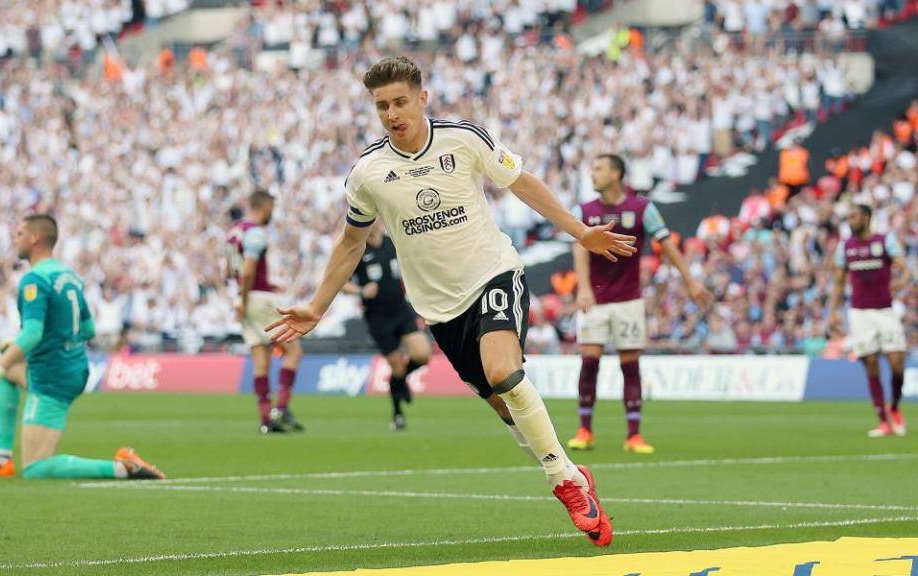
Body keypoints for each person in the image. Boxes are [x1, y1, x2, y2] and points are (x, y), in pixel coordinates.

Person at [266, 56, 637, 546]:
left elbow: (522, 183)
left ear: (422, 99)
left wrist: (580, 231)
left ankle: (564, 483)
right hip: (440, 308)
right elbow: (351, 242)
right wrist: (318, 305)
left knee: (504, 371)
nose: (393, 112)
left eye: (400, 101)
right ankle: (572, 470)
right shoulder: (368, 173)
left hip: (494, 274)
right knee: (506, 408)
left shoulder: (464, 139)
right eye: (382, 106)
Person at [0, 215, 164, 480]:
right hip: (75, 366)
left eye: (20, 233)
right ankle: (1, 458)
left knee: (36, 468)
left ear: (35, 238)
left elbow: (33, 332)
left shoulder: (34, 280)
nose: (15, 237)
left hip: (52, 376)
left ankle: (122, 467)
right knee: (9, 365)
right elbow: (88, 329)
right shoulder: (69, 276)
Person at [567, 155, 712, 454]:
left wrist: (690, 280)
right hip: (594, 298)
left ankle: (634, 435)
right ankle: (585, 430)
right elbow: (579, 248)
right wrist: (583, 287)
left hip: (629, 298)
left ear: (616, 173)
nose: (593, 173)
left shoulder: (642, 208)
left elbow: (666, 243)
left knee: (630, 365)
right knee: (590, 362)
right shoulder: (584, 211)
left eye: (598, 168)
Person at [827, 204, 910, 437]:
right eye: (848, 216)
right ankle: (883, 421)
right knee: (871, 365)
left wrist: (902, 279)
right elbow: (839, 283)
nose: (850, 220)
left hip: (885, 311)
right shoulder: (845, 247)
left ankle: (894, 406)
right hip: (859, 313)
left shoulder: (886, 241)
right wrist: (833, 313)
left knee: (896, 364)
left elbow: (904, 268)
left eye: (853, 216)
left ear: (866, 217)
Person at [227, 190, 305, 434]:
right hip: (254, 298)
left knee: (261, 359)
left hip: (243, 297)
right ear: (264, 206)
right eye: (272, 207)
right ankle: (280, 409)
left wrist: (239, 297)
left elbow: (230, 272)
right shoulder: (256, 232)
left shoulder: (233, 232)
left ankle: (265, 419)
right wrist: (246, 296)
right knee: (293, 351)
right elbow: (249, 270)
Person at [342, 222, 430, 430]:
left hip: (401, 310)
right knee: (397, 367)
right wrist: (362, 291)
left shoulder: (392, 243)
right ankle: (398, 413)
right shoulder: (358, 250)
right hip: (378, 317)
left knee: (422, 354)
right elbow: (342, 283)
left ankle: (401, 382)